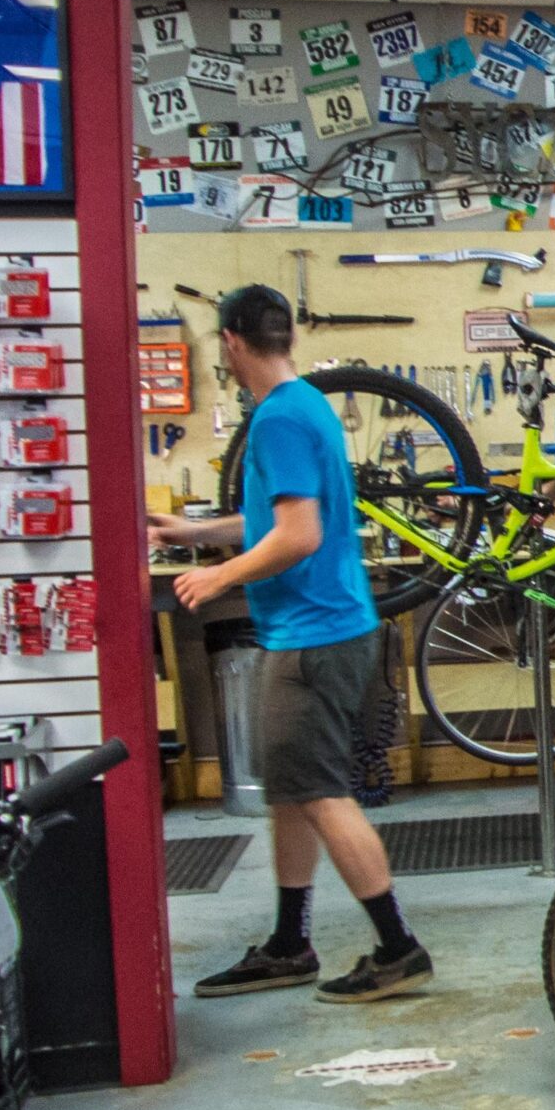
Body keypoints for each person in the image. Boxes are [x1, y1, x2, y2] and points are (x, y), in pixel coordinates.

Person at [147, 285, 433, 1003]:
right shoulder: (305, 406)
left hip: (312, 636)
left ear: (233, 343)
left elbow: (297, 538)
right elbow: (277, 521)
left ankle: (397, 947)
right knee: (292, 793)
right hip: (324, 627)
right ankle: (287, 942)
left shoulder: (275, 421)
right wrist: (193, 535)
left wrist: (218, 580)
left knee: (322, 793)